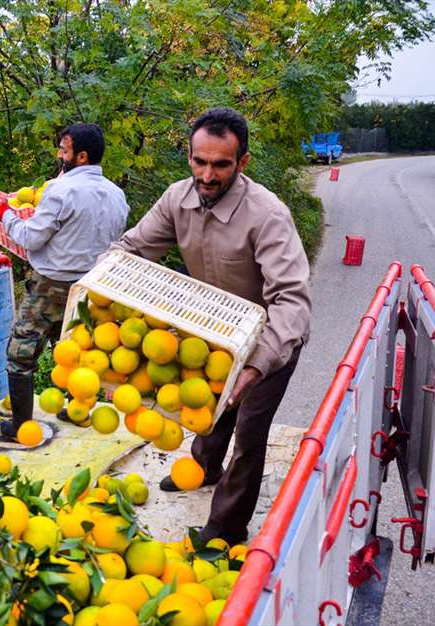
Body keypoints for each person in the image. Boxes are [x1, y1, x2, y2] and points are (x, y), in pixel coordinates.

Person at [107, 107, 311, 545]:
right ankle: (202, 469)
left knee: (249, 431)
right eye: (199, 161)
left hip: (270, 337)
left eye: (221, 164)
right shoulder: (177, 199)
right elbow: (134, 249)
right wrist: (101, 280)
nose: (207, 174)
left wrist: (256, 367)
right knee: (212, 410)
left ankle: (227, 528)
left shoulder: (266, 214)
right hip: (217, 332)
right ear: (189, 155)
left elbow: (291, 300)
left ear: (242, 163)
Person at [0, 122, 129, 439]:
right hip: (93, 287)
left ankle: (20, 426)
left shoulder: (61, 190)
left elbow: (30, 237)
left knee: (20, 353)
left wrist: (6, 214)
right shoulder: (116, 194)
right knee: (76, 351)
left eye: (64, 150)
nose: (59, 154)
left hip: (50, 286)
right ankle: (77, 411)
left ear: (81, 156)